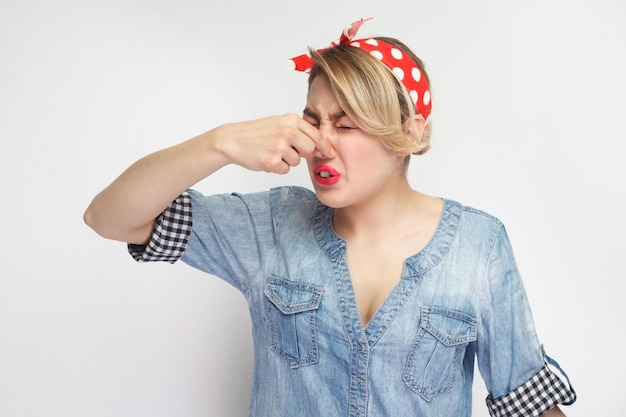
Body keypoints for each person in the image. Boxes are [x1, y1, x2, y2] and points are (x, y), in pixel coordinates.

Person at [84, 18, 576, 417]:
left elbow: (527, 405)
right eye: (313, 119)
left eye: (345, 124)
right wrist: (221, 143)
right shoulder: (272, 226)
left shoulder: (479, 245)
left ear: (406, 134)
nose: (320, 141)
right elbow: (110, 217)